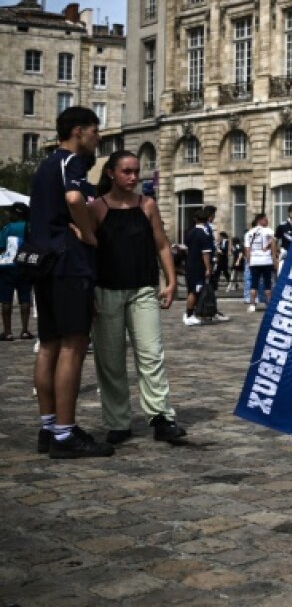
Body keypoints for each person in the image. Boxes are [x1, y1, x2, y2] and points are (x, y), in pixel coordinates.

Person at [29, 106, 111, 458]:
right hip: (68, 263)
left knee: (48, 344)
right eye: (95, 131)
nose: (98, 138)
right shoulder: (71, 162)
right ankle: (65, 433)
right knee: (73, 345)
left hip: (43, 261)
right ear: (79, 131)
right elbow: (75, 198)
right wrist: (89, 235)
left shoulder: (45, 165)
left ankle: (49, 427)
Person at [88, 151, 186, 445]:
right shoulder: (97, 207)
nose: (133, 177)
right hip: (106, 290)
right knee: (110, 360)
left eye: (136, 171)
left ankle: (161, 417)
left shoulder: (147, 205)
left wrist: (171, 281)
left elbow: (162, 245)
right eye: (126, 172)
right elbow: (87, 252)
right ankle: (118, 421)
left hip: (143, 289)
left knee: (151, 354)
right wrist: (87, 291)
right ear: (111, 173)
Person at [0, 202, 34, 341]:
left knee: (6, 300)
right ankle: (25, 331)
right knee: (25, 298)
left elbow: (1, 246)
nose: (9, 214)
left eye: (11, 212)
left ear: (16, 214)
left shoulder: (8, 228)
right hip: (25, 266)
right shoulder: (29, 227)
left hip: (7, 268)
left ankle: (7, 332)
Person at [182, 209, 216, 326]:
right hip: (198, 265)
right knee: (195, 290)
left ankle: (191, 313)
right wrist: (208, 268)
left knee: (191, 288)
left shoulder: (189, 233)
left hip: (190, 263)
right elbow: (205, 253)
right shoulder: (204, 234)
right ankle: (189, 315)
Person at [244, 212, 277, 311]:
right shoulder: (268, 231)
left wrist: (249, 261)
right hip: (266, 260)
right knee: (268, 284)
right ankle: (269, 304)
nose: (267, 221)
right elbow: (273, 246)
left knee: (254, 284)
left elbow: (247, 249)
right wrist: (274, 259)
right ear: (260, 220)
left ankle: (252, 304)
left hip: (254, 261)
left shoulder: (249, 233)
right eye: (265, 219)